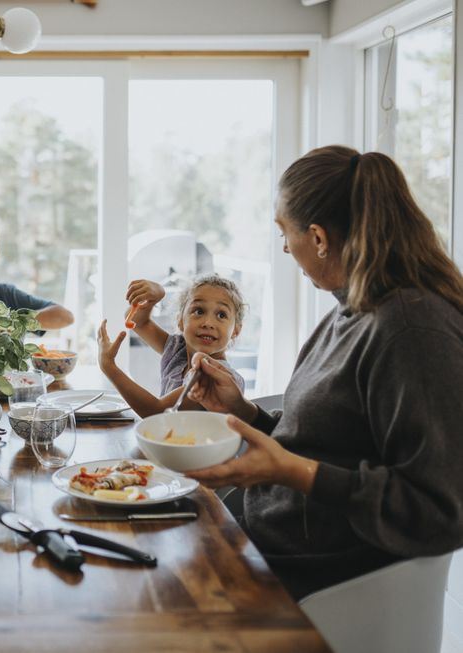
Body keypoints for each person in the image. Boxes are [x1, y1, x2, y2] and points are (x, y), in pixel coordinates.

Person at [183, 146, 463, 600]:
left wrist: (296, 473)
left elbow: (441, 506)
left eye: (283, 231)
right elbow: (324, 443)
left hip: (315, 581)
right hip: (269, 541)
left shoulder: (412, 329)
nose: (283, 246)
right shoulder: (353, 310)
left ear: (317, 237)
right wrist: (245, 412)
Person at [97, 274, 245, 417]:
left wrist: (109, 367)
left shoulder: (218, 377)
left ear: (236, 330)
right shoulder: (177, 350)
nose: (208, 323)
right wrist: (154, 297)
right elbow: (138, 322)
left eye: (221, 315)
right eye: (199, 311)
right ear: (180, 321)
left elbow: (158, 412)